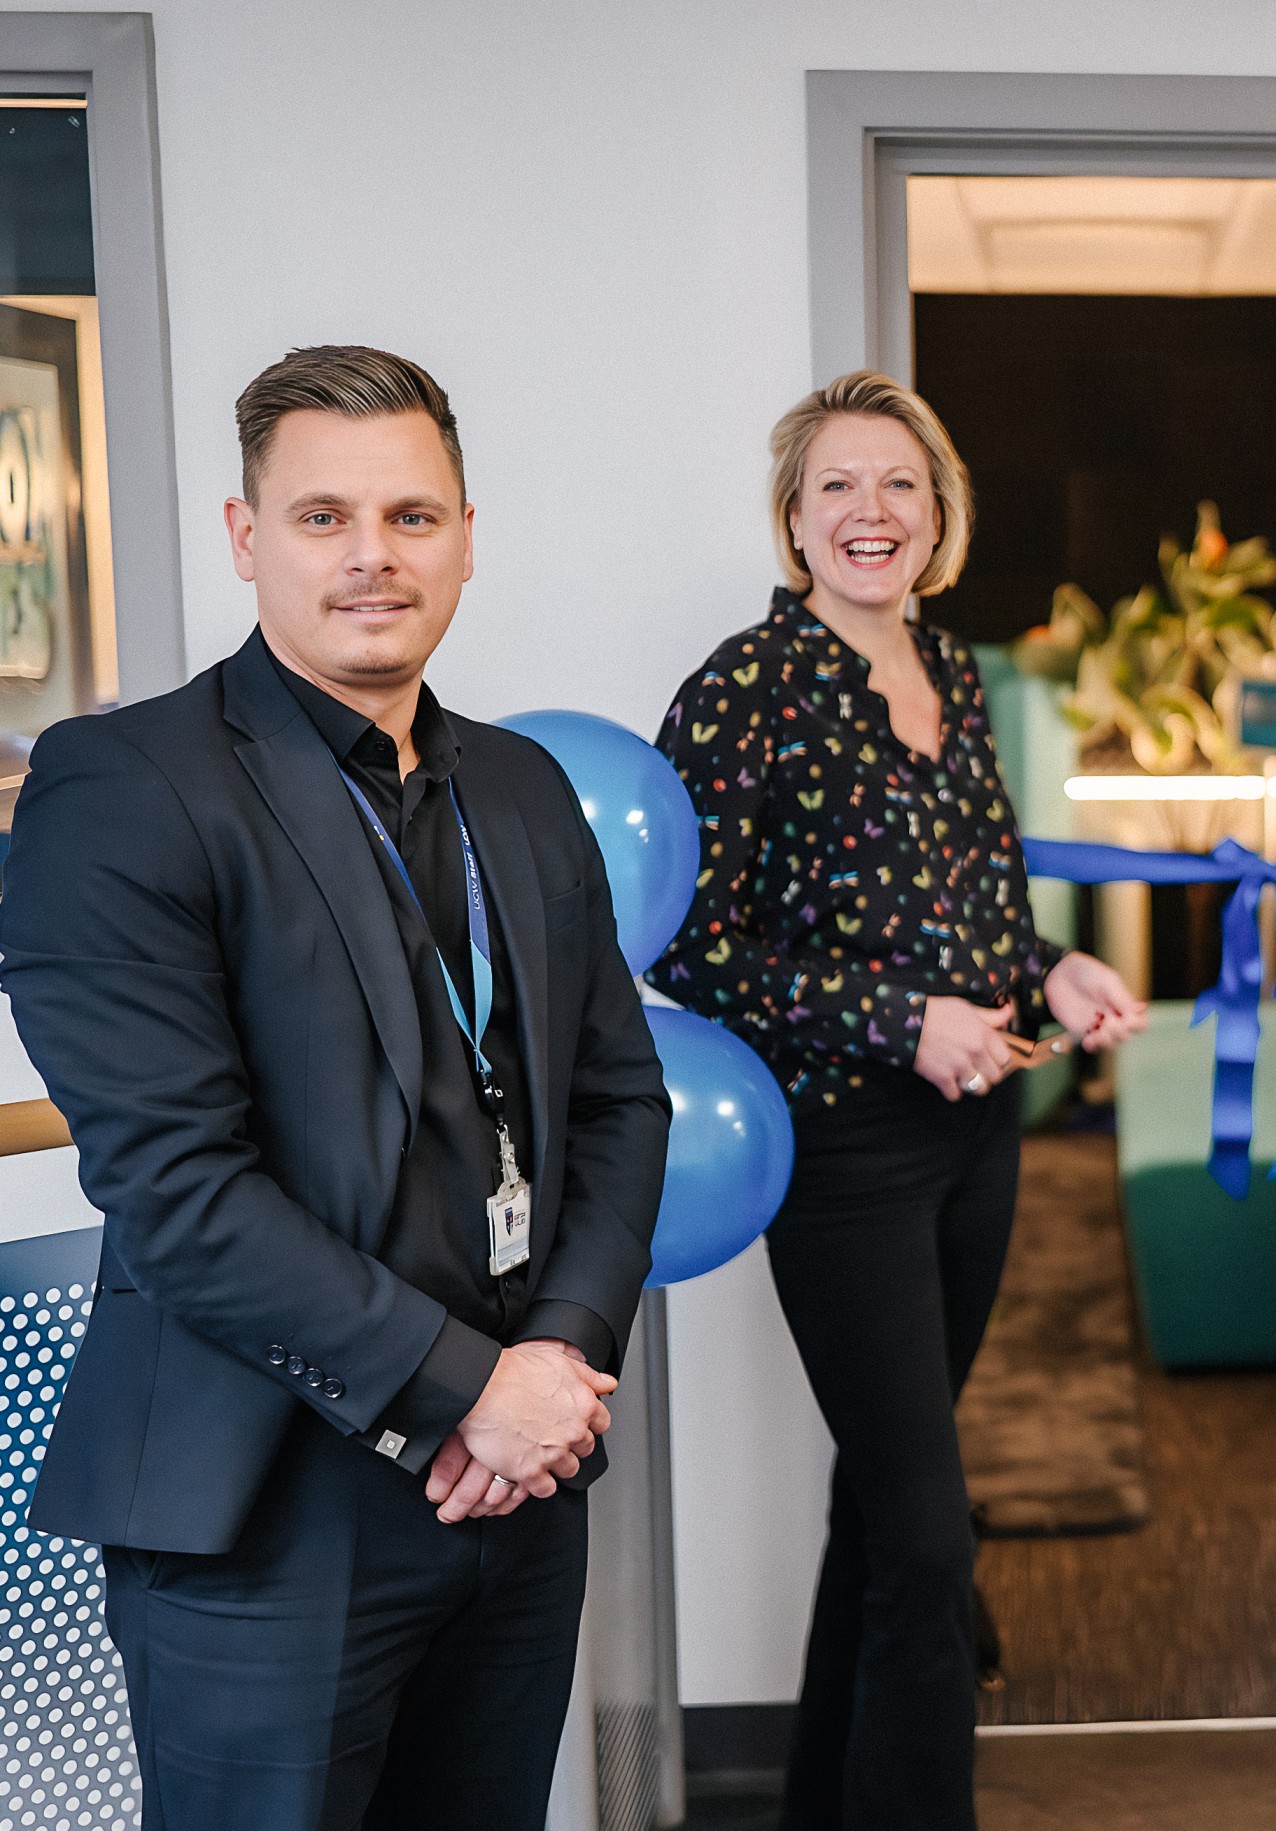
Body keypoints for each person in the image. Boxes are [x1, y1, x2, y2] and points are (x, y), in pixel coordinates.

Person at [0, 345, 670, 1829]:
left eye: (413, 516)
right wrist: (469, 1392)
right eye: (323, 518)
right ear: (248, 539)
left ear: (468, 536)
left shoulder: (521, 786)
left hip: (517, 1487)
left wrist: (549, 1364)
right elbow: (180, 1197)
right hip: (270, 1513)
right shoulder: (121, 785)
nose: (374, 556)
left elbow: (621, 1099)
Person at [655, 370, 1146, 1831]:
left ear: (940, 517)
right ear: (795, 521)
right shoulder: (745, 687)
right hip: (844, 1155)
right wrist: (897, 1020)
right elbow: (684, 936)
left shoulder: (956, 667)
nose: (872, 513)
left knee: (881, 1510)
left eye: (901, 487)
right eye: (838, 489)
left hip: (977, 1144)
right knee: (933, 1542)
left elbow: (979, 903)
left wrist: (1051, 972)